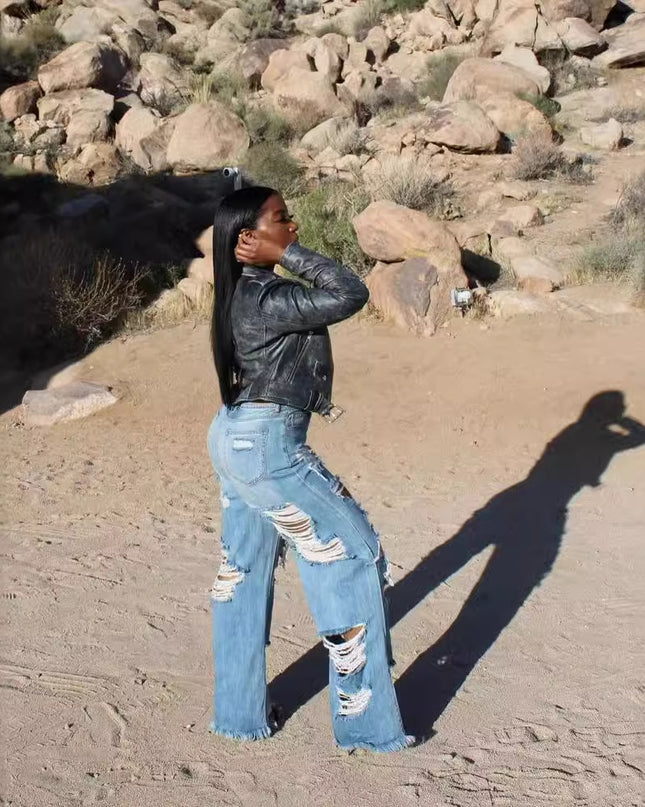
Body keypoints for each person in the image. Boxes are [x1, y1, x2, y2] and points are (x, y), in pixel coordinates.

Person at [206, 186, 413, 752]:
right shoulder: (267, 295)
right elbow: (349, 293)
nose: (293, 224)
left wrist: (271, 250)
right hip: (268, 446)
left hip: (234, 438)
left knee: (242, 573)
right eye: (281, 219)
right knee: (353, 555)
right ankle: (367, 729)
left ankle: (238, 714)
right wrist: (287, 254)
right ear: (247, 238)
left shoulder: (240, 294)